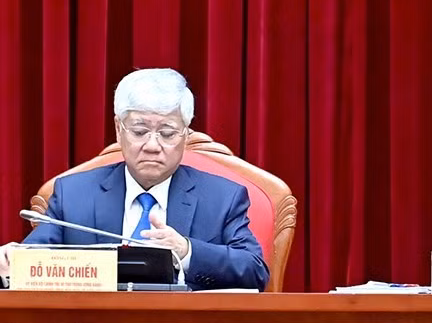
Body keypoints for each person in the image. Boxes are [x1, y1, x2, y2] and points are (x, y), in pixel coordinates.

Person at [2, 68, 267, 290]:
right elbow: (30, 266)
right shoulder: (74, 195)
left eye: (167, 133)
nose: (152, 145)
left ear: (186, 135)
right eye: (140, 131)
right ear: (119, 130)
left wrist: (186, 250)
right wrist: (9, 263)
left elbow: (255, 271)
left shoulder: (222, 198)